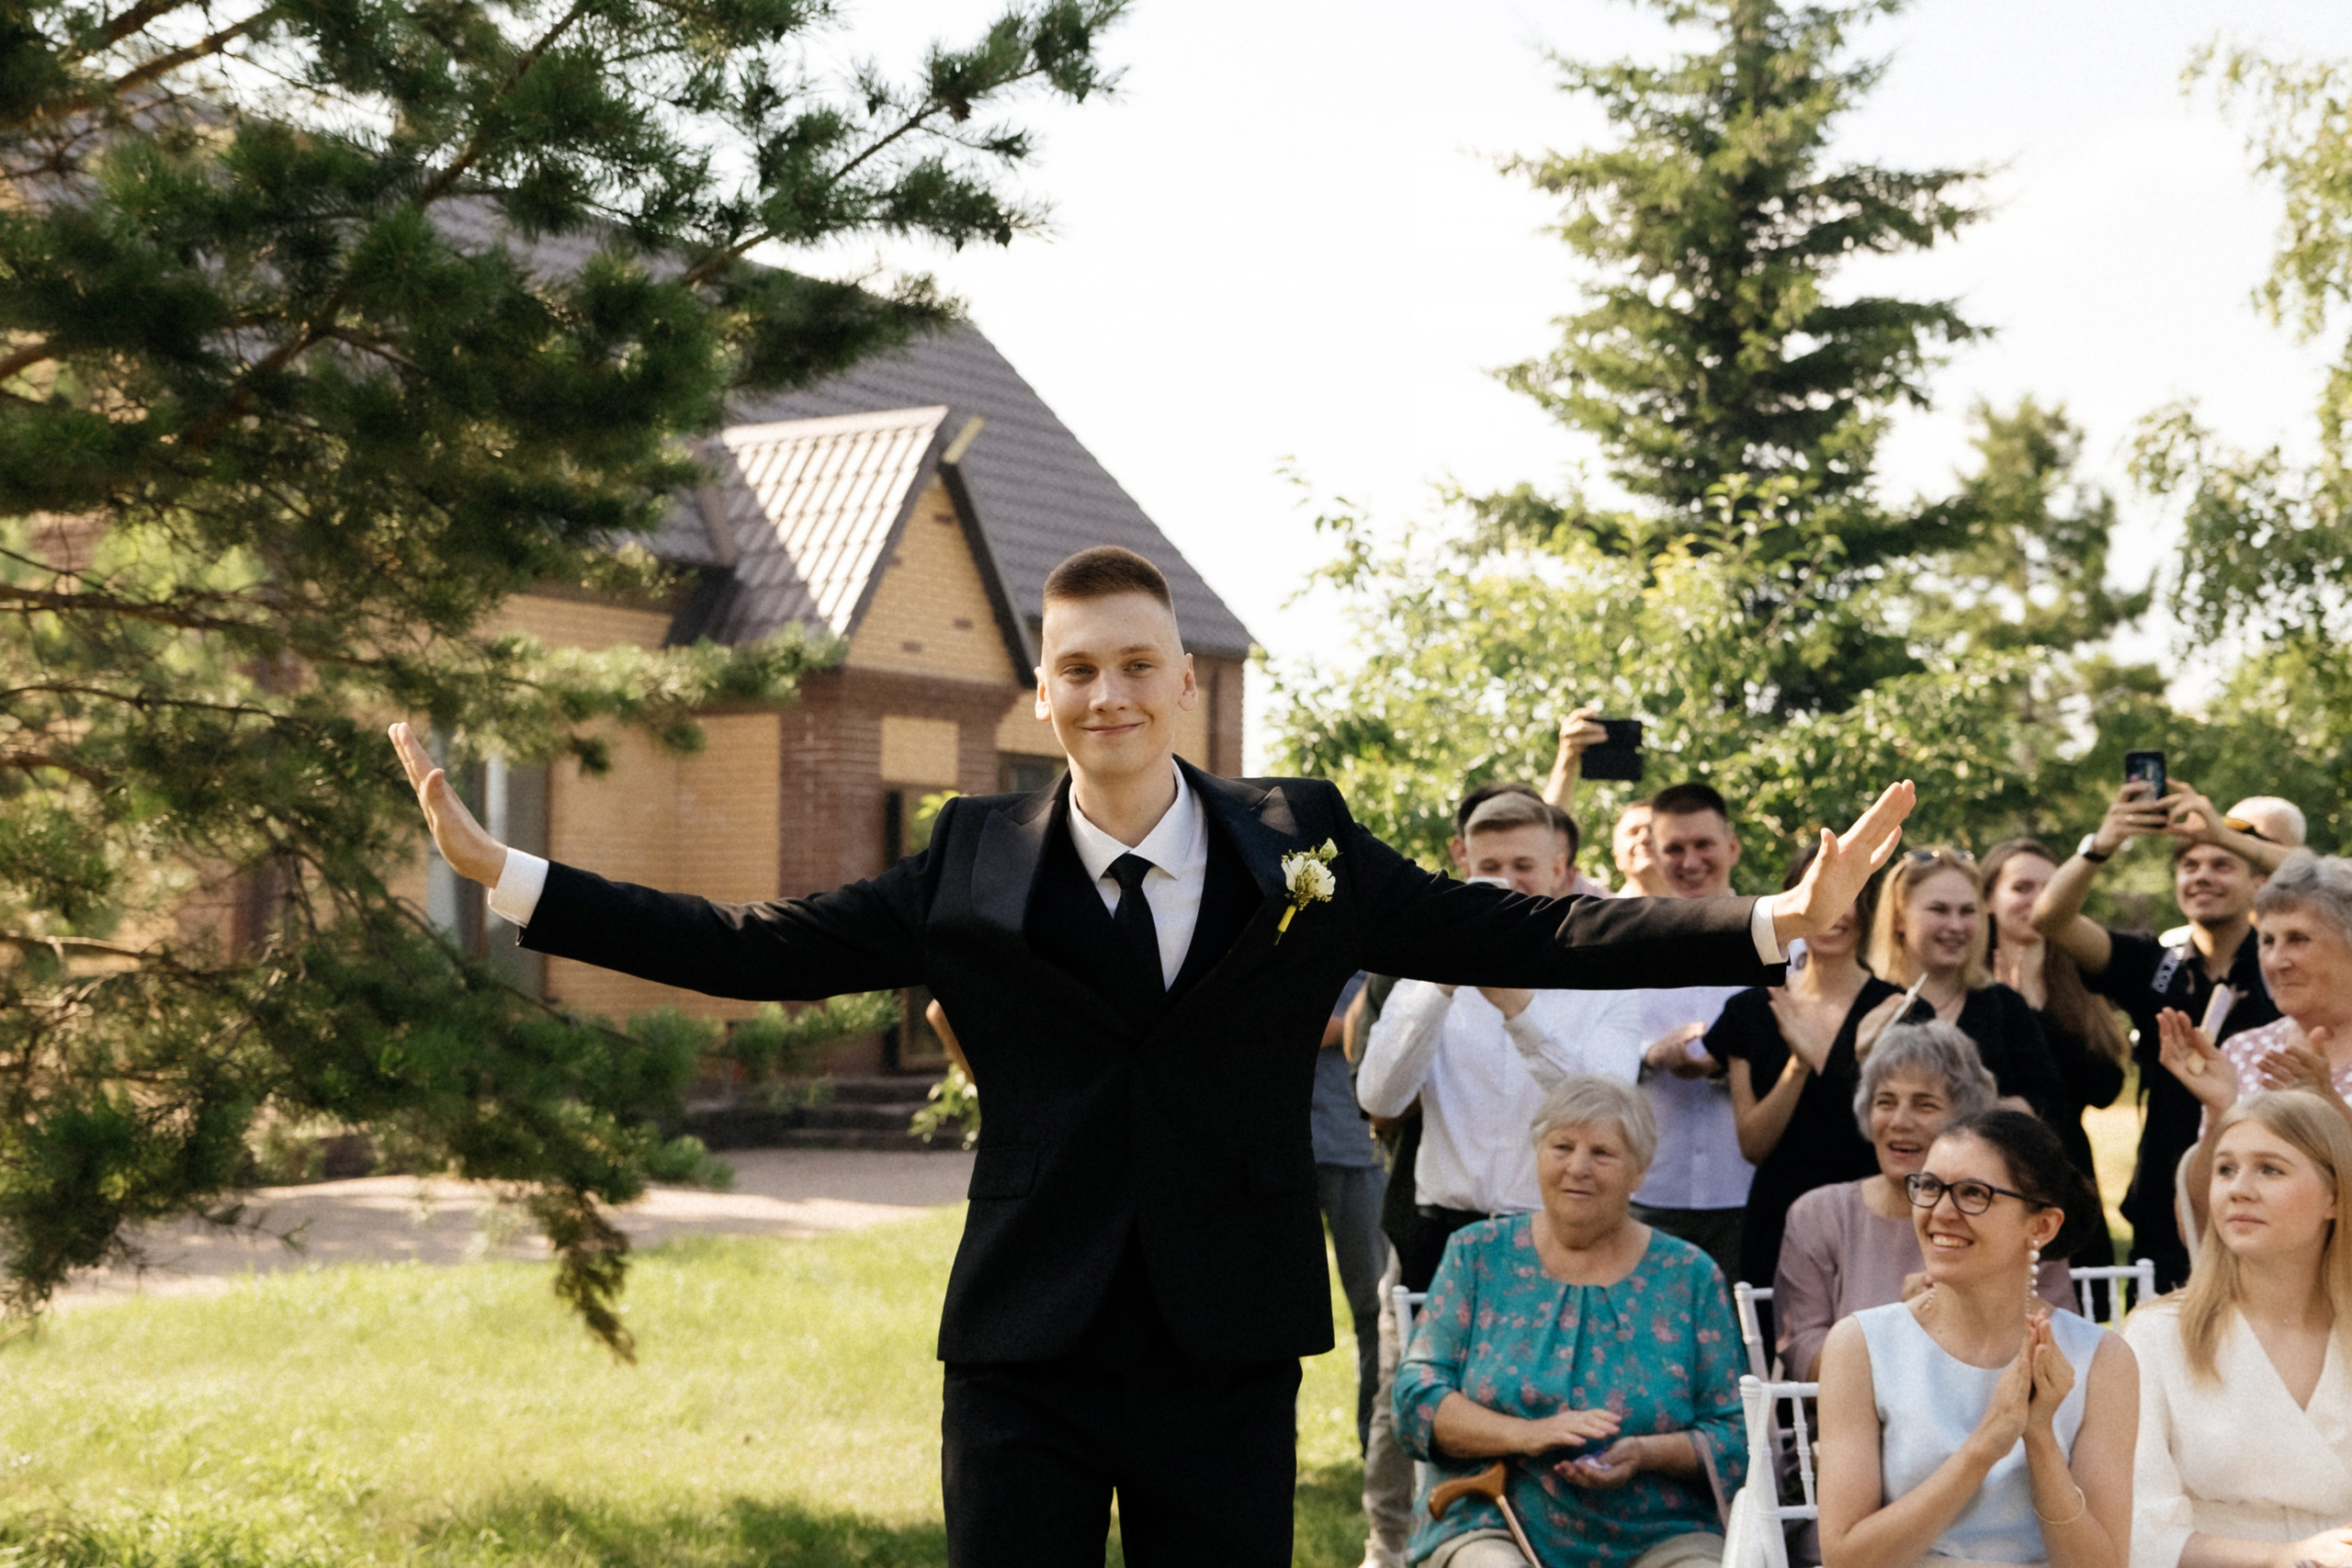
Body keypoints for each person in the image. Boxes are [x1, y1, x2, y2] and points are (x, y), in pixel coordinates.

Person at [392, 543, 1917, 1567]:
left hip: (1226, 1334)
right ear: (1042, 691)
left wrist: (1769, 918)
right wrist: (512, 875)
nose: (1108, 696)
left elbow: (1521, 930)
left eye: (1135, 665)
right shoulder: (968, 858)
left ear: (1180, 680)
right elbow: (750, 945)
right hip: (1026, 1342)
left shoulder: (1298, 839)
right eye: (1076, 672)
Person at [1395, 1075, 1747, 1568]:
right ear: (1538, 1154)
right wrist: (1528, 1434)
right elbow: (1416, 1399)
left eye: (1602, 1153)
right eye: (1562, 1146)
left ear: (1639, 1171)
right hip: (1494, 1519)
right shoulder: (1477, 1255)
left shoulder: (1688, 1275)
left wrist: (1645, 1453)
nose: (1578, 1167)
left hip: (1659, 1534)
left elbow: (1736, 1433)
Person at [1815, 1110, 2138, 1568]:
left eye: (1973, 1194)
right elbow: (1846, 1558)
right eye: (1929, 1187)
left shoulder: (2102, 1360)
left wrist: (2040, 1436)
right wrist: (1984, 1447)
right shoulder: (1860, 1345)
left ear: (2041, 1226)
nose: (1941, 1212)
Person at [1355, 789, 1648, 1292]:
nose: (1507, 883)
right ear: (1466, 865)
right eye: (1490, 867)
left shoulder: (1604, 981)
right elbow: (1378, 1096)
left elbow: (1603, 1112)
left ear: (1559, 871)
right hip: (1437, 1232)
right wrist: (1440, 985)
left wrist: (1517, 1007)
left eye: (1523, 866)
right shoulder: (1424, 972)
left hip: (1554, 1233)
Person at [2034, 778, 2292, 1290]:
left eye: (2222, 864)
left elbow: (2331, 883)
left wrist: (2225, 831)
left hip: (2263, 1191)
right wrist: (2102, 843)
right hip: (2166, 1202)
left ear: (2258, 883)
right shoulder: (2154, 965)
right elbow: (2050, 917)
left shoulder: (2283, 965)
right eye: (2190, 865)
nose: (2203, 876)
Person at [2125, 1090, 2352, 1568]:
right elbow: (2136, 1524)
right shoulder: (2159, 1336)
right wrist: (2282, 1557)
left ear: (2334, 1196)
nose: (2238, 1189)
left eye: (2270, 1169)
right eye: (2226, 1169)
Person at [1776, 1022, 2076, 1380]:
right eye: (1885, 1102)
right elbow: (1803, 1360)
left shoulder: (2015, 1213)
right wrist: (1904, 1328)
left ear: (1967, 1122)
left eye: (1925, 1104)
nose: (1900, 1121)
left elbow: (2062, 1345)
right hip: (1858, 1429)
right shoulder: (1819, 1215)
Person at [1713, 840, 1901, 1289]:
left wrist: (1864, 1061)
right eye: (1815, 894)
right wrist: (1799, 1062)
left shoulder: (1900, 1010)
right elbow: (1754, 1145)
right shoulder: (1751, 1009)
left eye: (1848, 895)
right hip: (1777, 1221)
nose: (1832, 911)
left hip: (1874, 1218)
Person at [2159, 852, 2352, 1241]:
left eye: (2298, 939)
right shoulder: (2246, 1050)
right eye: (2267, 940)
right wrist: (2219, 1112)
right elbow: (2195, 1229)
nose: (2277, 961)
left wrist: (2330, 1110)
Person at [1625, 781, 1768, 1288]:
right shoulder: (1627, 943)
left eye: (1702, 845)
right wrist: (1648, 1055)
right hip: (1649, 1190)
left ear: (1731, 846)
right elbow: (1591, 1046)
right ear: (1653, 855)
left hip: (1748, 1189)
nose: (1690, 861)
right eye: (1674, 849)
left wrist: (1731, 1062)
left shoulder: (1776, 942)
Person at [1985, 838, 2132, 1267]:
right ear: (1988, 899)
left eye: (2049, 888)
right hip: (1992, 1184)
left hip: (2070, 1181)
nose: (2037, 901)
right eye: (2021, 887)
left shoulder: (2077, 979)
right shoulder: (1967, 986)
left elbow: (2104, 1086)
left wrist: (2032, 1008)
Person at [1866, 846, 2066, 1119]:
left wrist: (1966, 1112)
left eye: (1967, 911)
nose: (1956, 926)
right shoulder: (1867, 1002)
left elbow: (2048, 1101)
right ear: (1899, 918)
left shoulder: (2005, 1006)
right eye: (1939, 910)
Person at [1315, 970, 1386, 1454]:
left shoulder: (1381, 910)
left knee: (1376, 1306)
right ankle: (1265, 1445)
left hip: (1355, 1142)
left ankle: (1375, 1445)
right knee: (1265, 1312)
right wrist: (1355, 1027)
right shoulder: (1277, 901)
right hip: (1276, 1148)